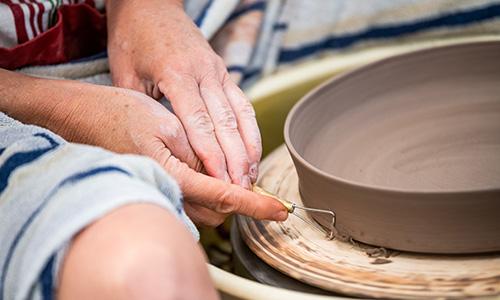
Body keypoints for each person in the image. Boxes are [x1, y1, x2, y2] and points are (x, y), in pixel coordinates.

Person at [0, 1, 287, 299]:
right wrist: (71, 113)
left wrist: (146, 9)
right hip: (12, 100)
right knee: (145, 270)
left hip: (149, 22)